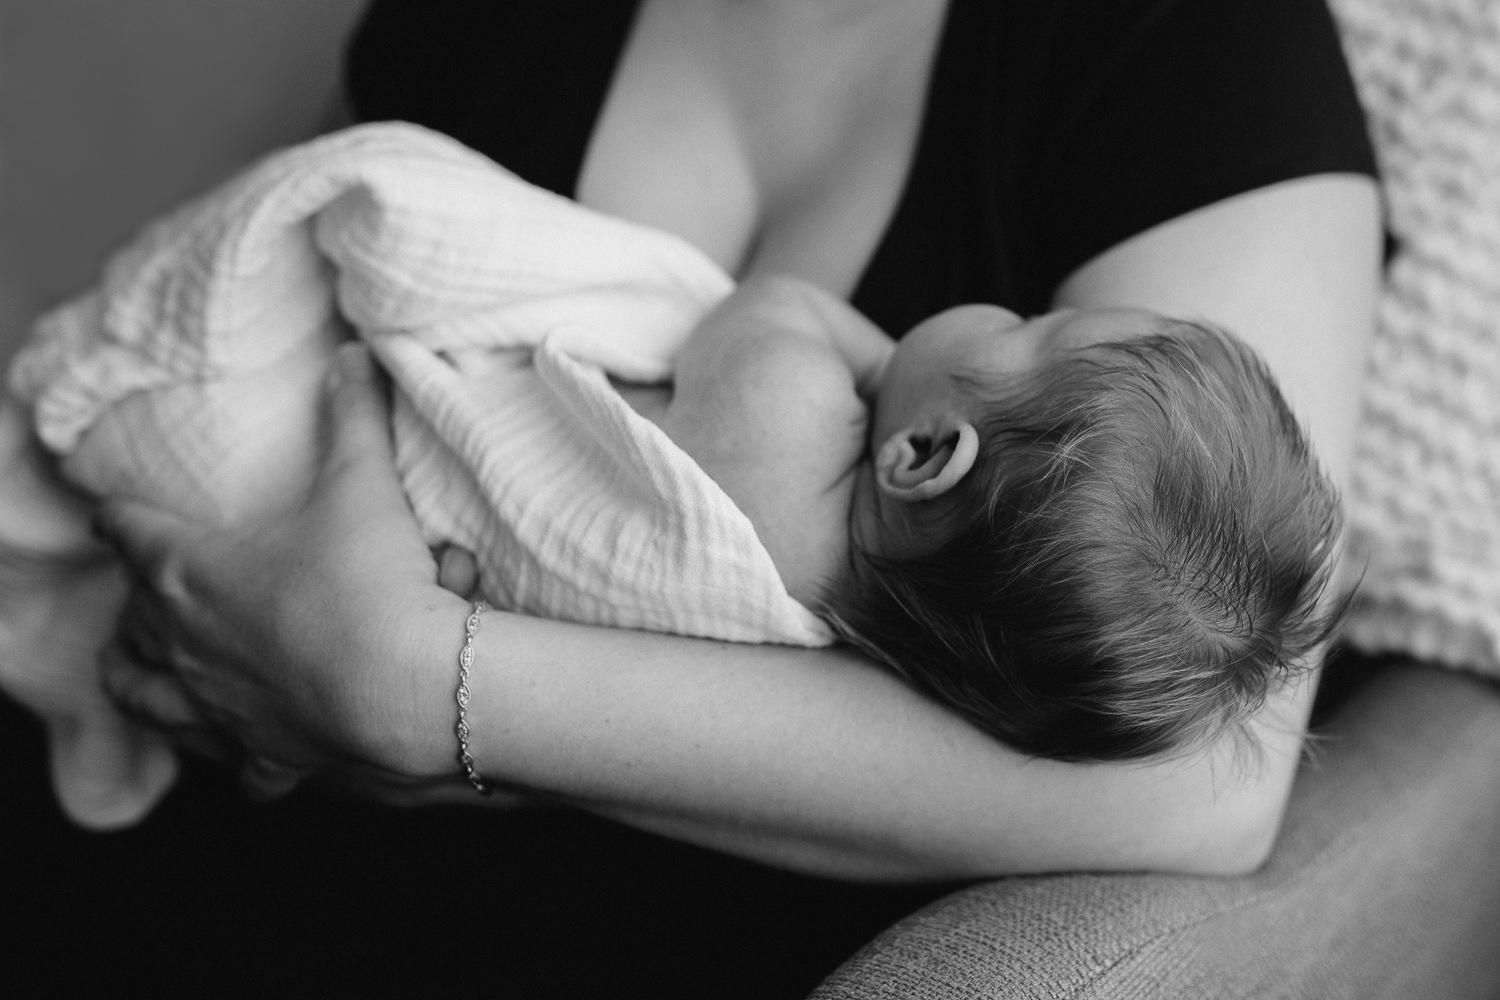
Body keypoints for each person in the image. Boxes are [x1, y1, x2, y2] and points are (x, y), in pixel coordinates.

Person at [28, 0, 1383, 994]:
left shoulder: (1190, 48)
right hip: (231, 788)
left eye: (1028, 328)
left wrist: (412, 682)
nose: (1009, 323)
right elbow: (317, 300)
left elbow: (1209, 779)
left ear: (925, 459)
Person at [649, 273, 1344, 763]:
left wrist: (889, 367)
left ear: (924, 456)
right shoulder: (844, 647)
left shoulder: (781, 416)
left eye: (1029, 328)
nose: (1009, 309)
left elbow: (776, 300)